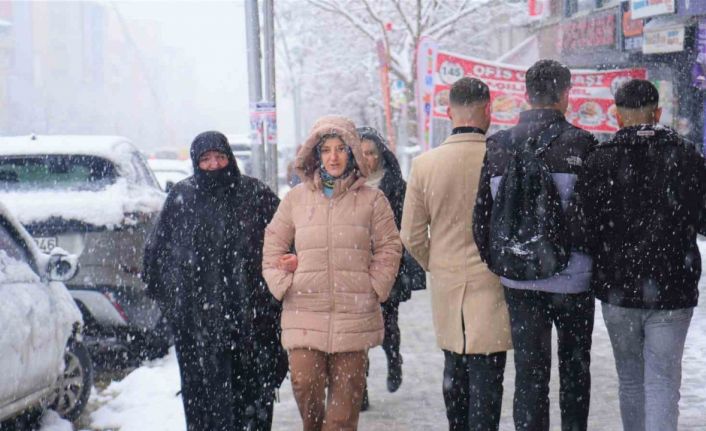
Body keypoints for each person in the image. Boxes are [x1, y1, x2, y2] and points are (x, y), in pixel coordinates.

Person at [572, 79, 706, 431]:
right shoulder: (687, 156)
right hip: (674, 289)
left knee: (630, 380)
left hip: (619, 291)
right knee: (663, 382)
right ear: (657, 113)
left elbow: (581, 229)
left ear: (617, 116)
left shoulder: (600, 160)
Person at [473, 59, 597, 431]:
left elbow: (481, 219)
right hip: (573, 281)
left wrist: (503, 263)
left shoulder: (498, 146)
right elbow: (592, 219)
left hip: (520, 280)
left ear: (526, 95)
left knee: (529, 374)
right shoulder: (583, 144)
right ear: (565, 94)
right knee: (575, 370)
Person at [262, 115, 402, 431]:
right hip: (305, 311)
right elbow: (272, 245)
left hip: (354, 315)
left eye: (341, 149)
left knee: (344, 411)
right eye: (326, 150)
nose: (333, 157)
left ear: (352, 153)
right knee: (304, 383)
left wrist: (375, 286)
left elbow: (390, 247)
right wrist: (283, 282)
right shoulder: (296, 199)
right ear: (316, 154)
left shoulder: (373, 200)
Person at [142, 131, 287, 431]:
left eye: (220, 157)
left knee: (254, 402)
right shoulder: (182, 198)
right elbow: (157, 257)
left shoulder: (254, 194)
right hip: (199, 329)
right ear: (196, 162)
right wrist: (178, 305)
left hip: (252, 323)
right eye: (206, 159)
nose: (214, 165)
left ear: (229, 158)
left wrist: (271, 294)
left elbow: (285, 240)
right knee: (206, 405)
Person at [401, 77, 512, 431]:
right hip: (494, 284)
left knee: (455, 374)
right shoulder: (504, 159)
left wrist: (436, 262)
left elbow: (411, 235)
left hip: (449, 285)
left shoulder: (425, 165)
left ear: (448, 112)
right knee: (488, 381)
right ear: (488, 109)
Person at [357, 126, 426, 404]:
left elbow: (407, 227)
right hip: (355, 266)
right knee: (356, 331)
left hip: (387, 265)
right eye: (361, 153)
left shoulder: (396, 186)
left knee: (387, 323)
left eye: (372, 153)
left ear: (381, 155)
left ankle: (393, 358)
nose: (367, 158)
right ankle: (359, 388)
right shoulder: (345, 186)